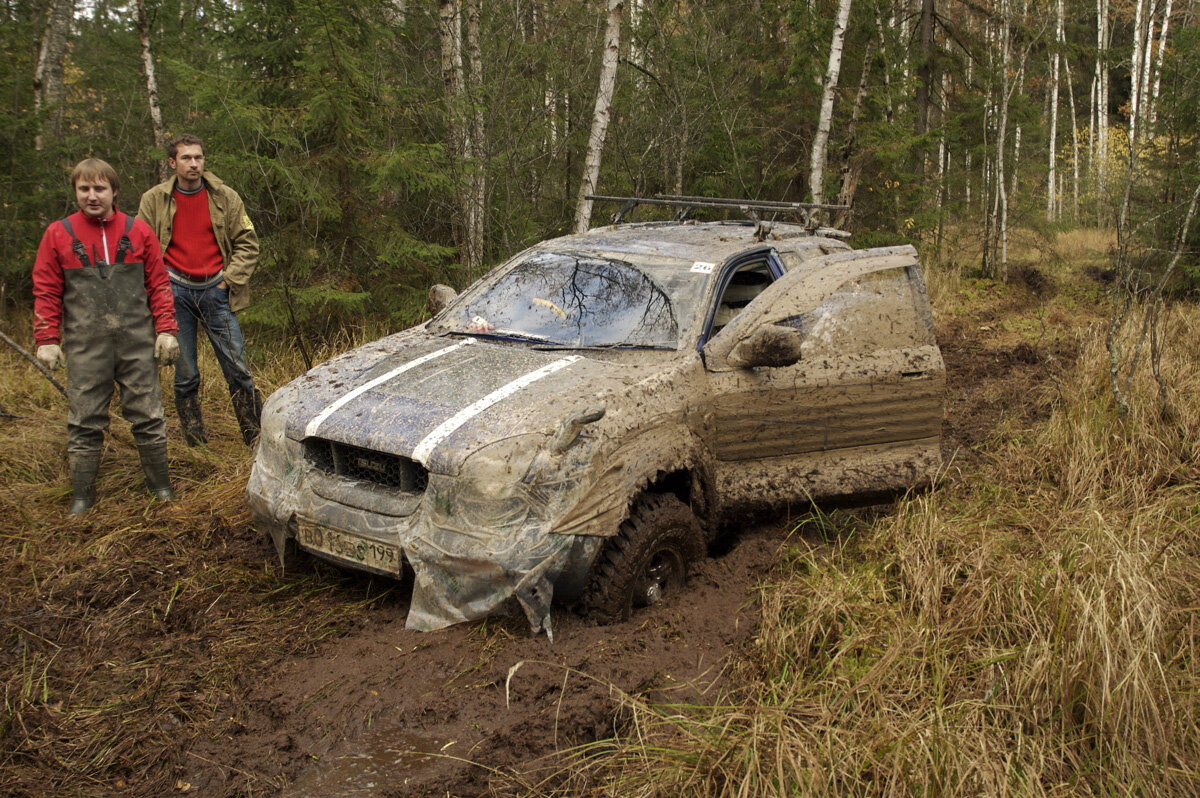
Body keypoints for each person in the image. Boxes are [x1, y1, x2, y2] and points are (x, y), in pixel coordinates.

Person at [32, 158, 180, 514]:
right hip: (86, 346)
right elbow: (46, 290)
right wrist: (47, 338)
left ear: (114, 191)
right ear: (76, 192)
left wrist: (167, 330)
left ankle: (161, 488)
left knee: (148, 416)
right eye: (84, 189)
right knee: (84, 421)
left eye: (99, 188)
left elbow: (158, 283)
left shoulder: (139, 231)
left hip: (136, 342)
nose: (92, 196)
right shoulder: (58, 234)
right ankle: (82, 496)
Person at [137, 134, 262, 446]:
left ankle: (257, 440)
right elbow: (139, 247)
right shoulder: (153, 200)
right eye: (185, 158)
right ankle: (196, 444)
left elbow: (248, 242)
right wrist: (157, 288)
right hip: (174, 293)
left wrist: (228, 280)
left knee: (237, 371)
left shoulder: (225, 196)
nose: (193, 164)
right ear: (172, 163)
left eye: (198, 158)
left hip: (215, 292)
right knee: (186, 376)